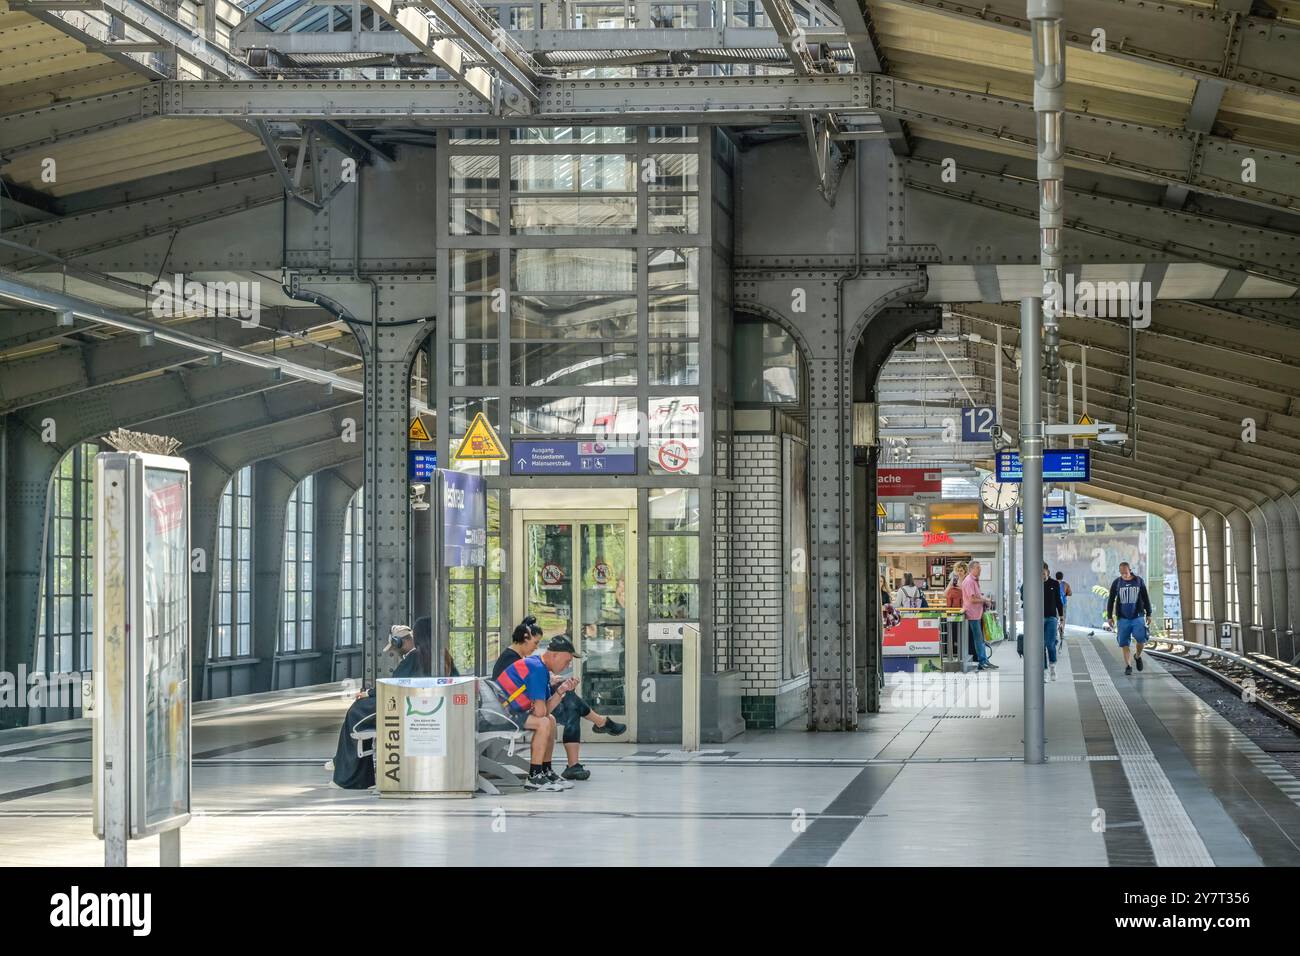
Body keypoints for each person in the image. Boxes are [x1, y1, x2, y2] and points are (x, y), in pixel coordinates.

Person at [493, 620, 625, 781]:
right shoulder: (536, 669)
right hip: (502, 715)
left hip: (511, 711)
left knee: (551, 719)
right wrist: (555, 695)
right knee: (544, 722)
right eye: (567, 661)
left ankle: (546, 770)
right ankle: (535, 775)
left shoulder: (538, 666)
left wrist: (561, 691)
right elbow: (541, 712)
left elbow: (544, 711)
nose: (567, 665)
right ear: (554, 655)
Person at [329, 623, 431, 789]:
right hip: (408, 704)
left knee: (355, 714)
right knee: (358, 710)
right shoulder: (419, 657)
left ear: (400, 642)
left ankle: (347, 774)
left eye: (395, 647)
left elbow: (394, 683)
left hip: (397, 706)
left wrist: (369, 693)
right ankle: (341, 762)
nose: (395, 651)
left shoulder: (413, 658)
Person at [1107, 561, 1153, 676]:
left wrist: (1149, 614)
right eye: (1122, 573)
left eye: (1126, 572)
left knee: (1141, 639)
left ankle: (1137, 656)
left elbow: (1145, 598)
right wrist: (1109, 616)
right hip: (1123, 618)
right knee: (1124, 643)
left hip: (1137, 616)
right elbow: (1111, 600)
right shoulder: (1117, 583)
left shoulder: (1138, 581)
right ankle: (1128, 666)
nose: (1124, 575)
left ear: (1130, 570)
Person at [961, 561, 997, 670]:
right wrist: (985, 599)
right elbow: (972, 599)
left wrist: (983, 600)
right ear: (971, 569)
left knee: (980, 639)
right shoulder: (969, 581)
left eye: (980, 568)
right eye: (978, 568)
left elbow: (975, 596)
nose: (980, 570)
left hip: (977, 614)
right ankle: (982, 661)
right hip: (972, 614)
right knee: (978, 639)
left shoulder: (974, 580)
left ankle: (984, 660)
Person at [1042, 563, 1065, 681]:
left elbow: (1058, 601)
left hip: (1051, 618)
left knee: (1050, 644)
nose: (1042, 574)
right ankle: (1044, 672)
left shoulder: (1054, 584)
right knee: (1041, 646)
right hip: (1037, 619)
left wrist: (1061, 618)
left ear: (1047, 571)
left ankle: (1052, 666)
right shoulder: (1033, 584)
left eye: (1043, 571)